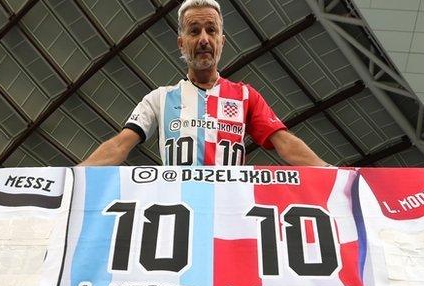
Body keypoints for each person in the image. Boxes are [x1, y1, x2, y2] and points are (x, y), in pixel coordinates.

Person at [80, 0, 329, 167]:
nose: (203, 39)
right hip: (179, 217)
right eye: (194, 31)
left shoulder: (246, 96)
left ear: (222, 41)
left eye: (211, 31)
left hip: (228, 219)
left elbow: (284, 144)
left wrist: (334, 173)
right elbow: (119, 146)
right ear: (181, 42)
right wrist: (70, 177)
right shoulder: (159, 98)